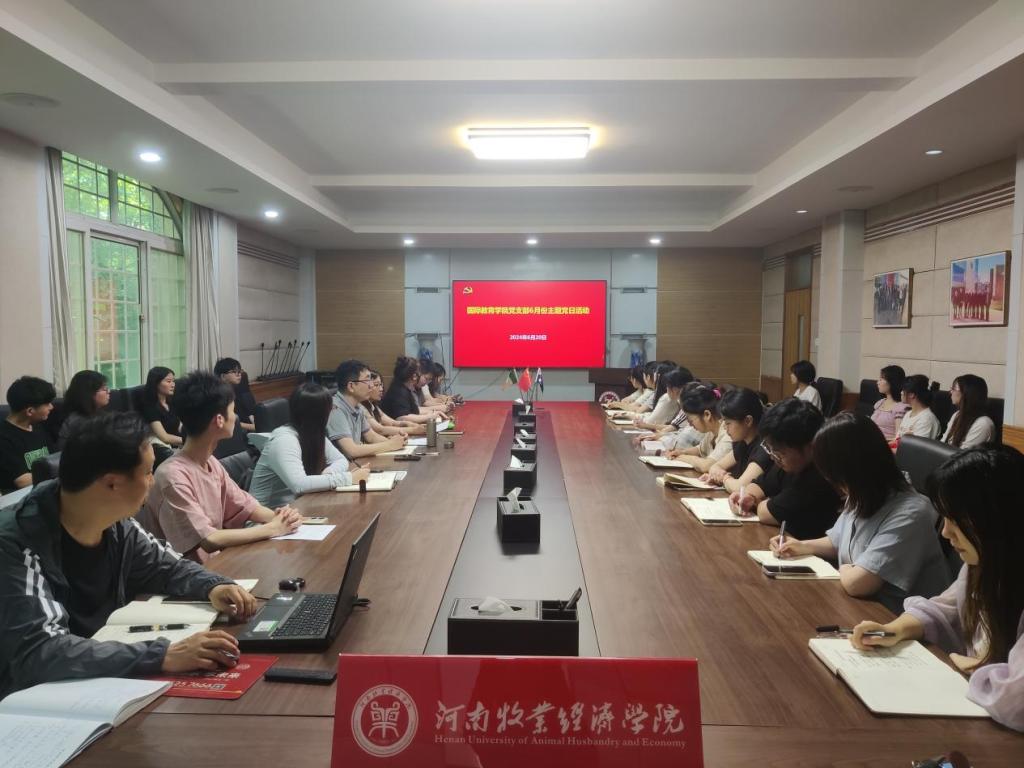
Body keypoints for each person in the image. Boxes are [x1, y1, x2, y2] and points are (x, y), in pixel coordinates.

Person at [0, 411, 257, 699]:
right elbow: (39, 651)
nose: (152, 482)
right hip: (33, 699)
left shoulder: (116, 525)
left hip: (100, 678)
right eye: (147, 472)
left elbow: (167, 567)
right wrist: (161, 655)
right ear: (112, 483)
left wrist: (213, 586)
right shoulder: (16, 541)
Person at [850, 446, 1024, 731]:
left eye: (957, 520)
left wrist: (980, 671)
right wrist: (893, 630)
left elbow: (1017, 702)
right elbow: (944, 608)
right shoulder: (983, 563)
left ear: (996, 519)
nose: (945, 532)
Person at [771, 413, 951, 612]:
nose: (834, 485)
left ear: (855, 471)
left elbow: (858, 584)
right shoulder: (864, 493)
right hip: (858, 608)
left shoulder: (912, 513)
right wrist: (801, 546)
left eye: (836, 478)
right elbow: (837, 541)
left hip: (897, 618)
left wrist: (846, 568)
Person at [138, 371, 302, 562]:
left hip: (214, 565)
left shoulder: (210, 462)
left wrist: (282, 518)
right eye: (232, 411)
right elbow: (209, 539)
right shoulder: (172, 476)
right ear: (219, 420)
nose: (236, 417)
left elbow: (246, 506)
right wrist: (273, 528)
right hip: (184, 573)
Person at [729, 397, 841, 538]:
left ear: (810, 447)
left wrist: (755, 501)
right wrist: (747, 496)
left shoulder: (819, 476)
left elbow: (766, 514)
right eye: (769, 449)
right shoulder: (788, 463)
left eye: (778, 452)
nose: (772, 457)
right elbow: (759, 485)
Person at [249, 382, 370, 508]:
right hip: (270, 515)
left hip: (300, 506)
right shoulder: (284, 440)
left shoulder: (313, 433)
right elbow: (299, 485)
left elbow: (341, 460)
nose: (333, 411)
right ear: (319, 413)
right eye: (331, 408)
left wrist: (328, 475)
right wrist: (348, 478)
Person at [328, 360, 406, 459]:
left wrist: (396, 441)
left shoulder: (357, 406)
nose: (371, 385)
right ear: (351, 386)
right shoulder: (335, 409)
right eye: (367, 380)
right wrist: (390, 445)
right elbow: (351, 451)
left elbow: (371, 437)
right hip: (344, 466)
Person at [700, 387, 771, 493]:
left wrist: (724, 478)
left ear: (748, 421)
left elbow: (740, 487)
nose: (725, 427)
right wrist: (717, 475)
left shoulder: (765, 446)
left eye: (728, 423)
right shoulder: (741, 441)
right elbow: (715, 466)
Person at [0, 376, 56, 493]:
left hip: (44, 489)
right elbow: (22, 481)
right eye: (47, 404)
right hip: (21, 497)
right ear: (30, 411)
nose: (51, 407)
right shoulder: (4, 438)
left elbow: (54, 459)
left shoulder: (38, 427)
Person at [666, 384, 732, 472]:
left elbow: (706, 466)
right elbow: (700, 449)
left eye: (691, 420)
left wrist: (682, 457)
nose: (690, 425)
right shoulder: (712, 430)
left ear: (707, 415)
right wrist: (682, 452)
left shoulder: (728, 433)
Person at [58, 370, 111, 449]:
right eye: (104, 388)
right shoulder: (75, 422)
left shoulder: (101, 415)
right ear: (88, 393)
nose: (108, 391)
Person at [363, 371, 425, 437]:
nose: (381, 389)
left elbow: (392, 423)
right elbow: (380, 430)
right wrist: (413, 430)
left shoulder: (373, 405)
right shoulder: (362, 408)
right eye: (376, 385)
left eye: (381, 385)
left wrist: (409, 424)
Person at [942, 374, 995, 448]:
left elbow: (965, 453)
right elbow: (943, 443)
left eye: (953, 388)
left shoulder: (983, 423)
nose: (950, 392)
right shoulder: (957, 414)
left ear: (967, 393)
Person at [141, 366, 182, 447]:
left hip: (177, 444)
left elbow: (180, 426)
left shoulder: (171, 401)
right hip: (162, 446)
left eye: (173, 381)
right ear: (156, 383)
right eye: (168, 381)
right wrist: (187, 441)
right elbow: (164, 438)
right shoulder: (149, 406)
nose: (173, 385)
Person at [632, 362, 680, 428]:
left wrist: (640, 420)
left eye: (656, 374)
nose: (654, 377)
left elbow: (650, 421)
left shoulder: (667, 398)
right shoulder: (662, 395)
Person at [214, 358, 255, 432]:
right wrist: (254, 427)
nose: (239, 374)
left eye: (239, 371)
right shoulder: (218, 397)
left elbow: (249, 412)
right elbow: (226, 422)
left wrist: (255, 422)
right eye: (234, 372)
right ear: (223, 376)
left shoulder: (238, 390)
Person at [896, 374, 941, 441]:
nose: (901, 392)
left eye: (903, 390)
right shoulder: (908, 414)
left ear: (911, 395)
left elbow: (916, 446)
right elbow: (897, 439)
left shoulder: (926, 419)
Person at [870, 365, 909, 442]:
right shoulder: (880, 403)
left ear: (892, 382)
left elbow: (898, 438)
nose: (878, 382)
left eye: (881, 379)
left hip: (885, 445)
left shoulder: (901, 407)